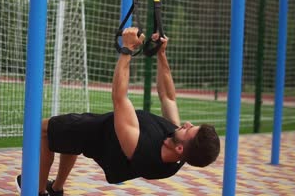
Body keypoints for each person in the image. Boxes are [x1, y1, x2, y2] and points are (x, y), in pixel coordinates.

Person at [15, 27, 220, 196]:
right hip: (110, 142)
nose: (187, 124)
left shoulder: (144, 149)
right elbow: (168, 97)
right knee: (70, 137)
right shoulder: (178, 151)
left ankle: (39, 191)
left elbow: (119, 97)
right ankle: (57, 188)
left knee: (42, 130)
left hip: (102, 136)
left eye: (189, 130)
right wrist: (161, 55)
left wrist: (127, 49)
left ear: (180, 150)